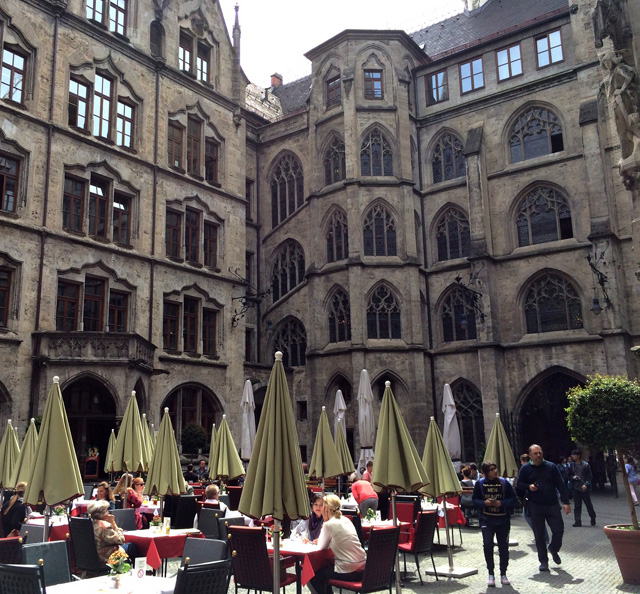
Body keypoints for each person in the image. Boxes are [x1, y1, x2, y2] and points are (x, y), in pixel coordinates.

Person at [516, 444, 570, 572]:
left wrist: (566, 502)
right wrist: (529, 487)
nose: (539, 455)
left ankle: (553, 548)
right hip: (535, 505)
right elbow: (519, 484)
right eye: (536, 453)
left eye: (540, 453)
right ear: (530, 456)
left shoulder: (551, 467)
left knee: (559, 530)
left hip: (552, 504)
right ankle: (543, 561)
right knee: (539, 534)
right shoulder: (525, 469)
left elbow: (560, 484)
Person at [308, 494, 366, 594]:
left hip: (348, 571)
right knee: (324, 573)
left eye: (322, 506)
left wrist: (325, 523)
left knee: (313, 575)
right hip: (363, 569)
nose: (320, 509)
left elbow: (321, 547)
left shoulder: (329, 524)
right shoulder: (346, 520)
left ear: (326, 508)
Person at [472, 461, 517, 587]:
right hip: (486, 519)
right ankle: (490, 573)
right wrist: (484, 503)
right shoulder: (480, 484)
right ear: (486, 472)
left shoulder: (504, 483)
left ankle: (503, 573)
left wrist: (501, 503)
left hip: (503, 519)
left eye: (495, 468)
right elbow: (474, 500)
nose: (495, 471)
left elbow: (514, 499)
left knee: (503, 547)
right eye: (492, 469)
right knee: (487, 544)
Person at [88, 500, 137, 564]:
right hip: (106, 557)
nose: (108, 512)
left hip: (92, 556)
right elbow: (121, 540)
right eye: (106, 511)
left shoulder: (90, 523)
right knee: (131, 546)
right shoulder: (105, 526)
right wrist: (113, 523)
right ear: (102, 514)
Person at [570, 449, 596, 527]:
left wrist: (586, 484)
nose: (573, 456)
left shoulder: (585, 465)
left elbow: (589, 476)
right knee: (577, 505)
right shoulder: (571, 465)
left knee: (588, 504)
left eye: (574, 455)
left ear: (578, 456)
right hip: (576, 487)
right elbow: (568, 475)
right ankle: (577, 521)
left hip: (584, 487)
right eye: (572, 455)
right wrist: (573, 477)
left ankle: (592, 517)